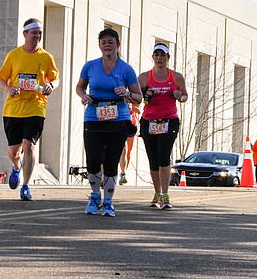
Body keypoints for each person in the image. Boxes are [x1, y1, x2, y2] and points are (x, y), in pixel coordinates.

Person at [75, 28, 142, 216]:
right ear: (99, 46)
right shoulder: (90, 66)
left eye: (111, 42)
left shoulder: (126, 69)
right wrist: (84, 96)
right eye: (103, 42)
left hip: (118, 117)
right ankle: (95, 196)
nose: (107, 45)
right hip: (94, 116)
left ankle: (109, 202)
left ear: (117, 45)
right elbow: (79, 87)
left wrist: (128, 94)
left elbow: (139, 97)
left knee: (111, 162)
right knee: (93, 160)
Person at [0, 18, 59, 200]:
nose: (37, 36)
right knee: (14, 152)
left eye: (40, 33)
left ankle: (25, 186)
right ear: (25, 34)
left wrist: (51, 86)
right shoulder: (13, 55)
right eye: (34, 33)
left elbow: (55, 78)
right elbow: (1, 79)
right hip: (13, 108)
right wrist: (9, 89)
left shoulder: (46, 57)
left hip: (36, 106)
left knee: (29, 145)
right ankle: (16, 167)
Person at [138, 43, 188, 209]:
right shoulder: (144, 77)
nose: (159, 58)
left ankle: (165, 195)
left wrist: (179, 96)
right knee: (153, 159)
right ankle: (157, 192)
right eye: (156, 55)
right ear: (153, 57)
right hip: (149, 121)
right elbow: (138, 99)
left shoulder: (176, 77)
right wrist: (147, 94)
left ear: (168, 58)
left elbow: (185, 96)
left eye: (162, 55)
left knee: (163, 157)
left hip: (169, 121)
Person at [119, 101, 141, 185]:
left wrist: (133, 108)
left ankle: (124, 172)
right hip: (122, 122)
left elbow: (138, 110)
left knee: (128, 151)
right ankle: (123, 173)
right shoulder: (119, 93)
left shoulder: (133, 95)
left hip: (132, 124)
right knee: (123, 149)